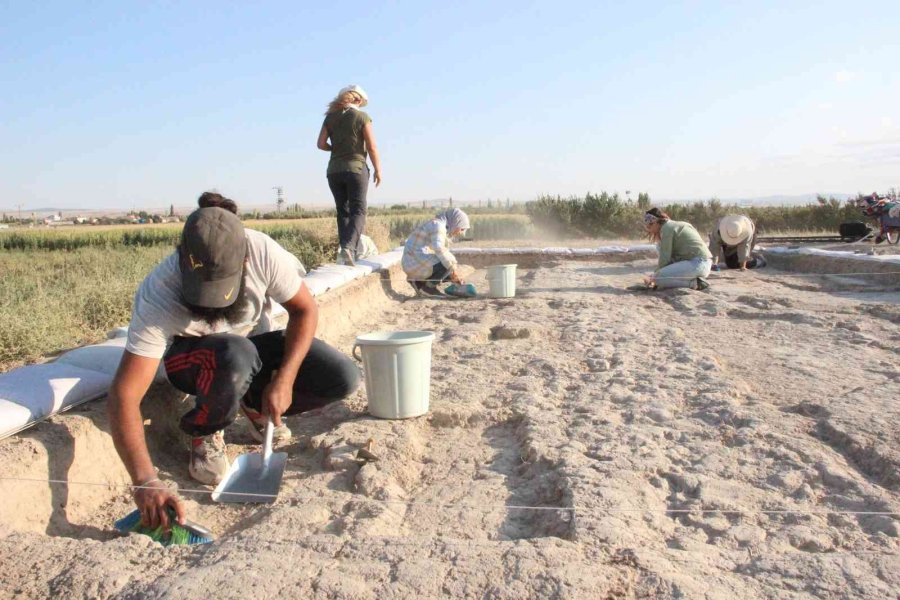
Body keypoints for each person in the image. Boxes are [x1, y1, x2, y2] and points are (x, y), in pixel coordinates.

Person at [108, 192, 360, 530]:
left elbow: (305, 309)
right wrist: (145, 480)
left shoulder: (262, 252)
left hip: (247, 349)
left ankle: (252, 404)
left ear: (242, 262)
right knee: (236, 353)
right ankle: (205, 430)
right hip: (194, 359)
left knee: (341, 376)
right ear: (182, 259)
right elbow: (124, 395)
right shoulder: (160, 292)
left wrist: (283, 379)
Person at [317, 84, 382, 267]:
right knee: (358, 210)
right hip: (356, 169)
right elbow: (371, 147)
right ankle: (349, 248)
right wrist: (378, 169)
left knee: (342, 211)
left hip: (334, 170)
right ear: (358, 100)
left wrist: (335, 148)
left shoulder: (330, 118)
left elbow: (321, 144)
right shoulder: (362, 117)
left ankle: (345, 251)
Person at [402, 208, 470, 297]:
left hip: (411, 261)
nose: (460, 232)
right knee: (449, 263)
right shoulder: (438, 226)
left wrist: (453, 276)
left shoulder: (436, 224)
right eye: (461, 229)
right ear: (455, 222)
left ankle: (418, 284)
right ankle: (428, 288)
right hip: (413, 261)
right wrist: (452, 269)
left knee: (447, 266)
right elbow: (438, 248)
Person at [642, 208, 713, 290]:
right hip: (702, 264)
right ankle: (694, 280)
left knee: (658, 279)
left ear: (658, 221)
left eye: (650, 224)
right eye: (646, 224)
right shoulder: (675, 225)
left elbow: (665, 258)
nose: (648, 227)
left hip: (697, 263)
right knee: (659, 247)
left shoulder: (666, 228)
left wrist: (653, 277)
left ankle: (694, 283)